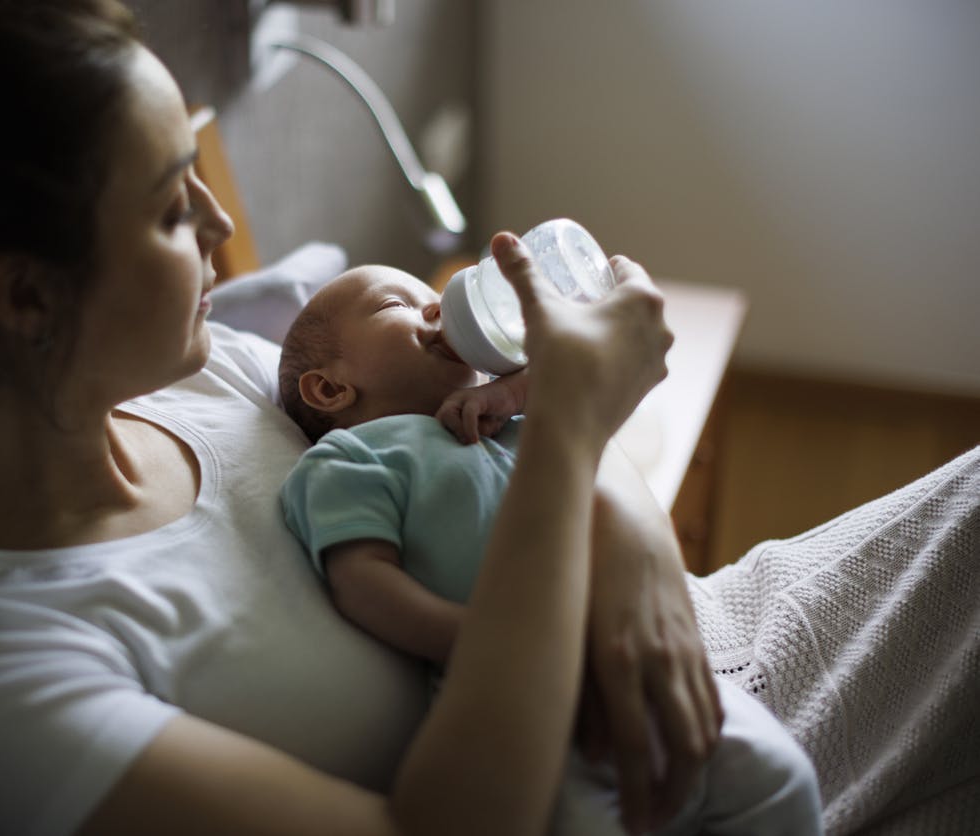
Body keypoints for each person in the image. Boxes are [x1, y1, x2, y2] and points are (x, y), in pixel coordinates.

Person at [0, 1, 976, 834]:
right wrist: (575, 449)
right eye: (176, 210)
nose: (224, 233)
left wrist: (636, 542)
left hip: (677, 652)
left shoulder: (207, 371)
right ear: (22, 297)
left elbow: (459, 447)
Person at [277, 264, 823, 834]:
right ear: (330, 387)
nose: (438, 309)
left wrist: (512, 384)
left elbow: (575, 386)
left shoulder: (508, 420)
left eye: (436, 298)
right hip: (522, 703)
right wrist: (474, 638)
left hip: (635, 660)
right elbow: (362, 581)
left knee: (780, 777)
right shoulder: (354, 458)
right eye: (398, 305)